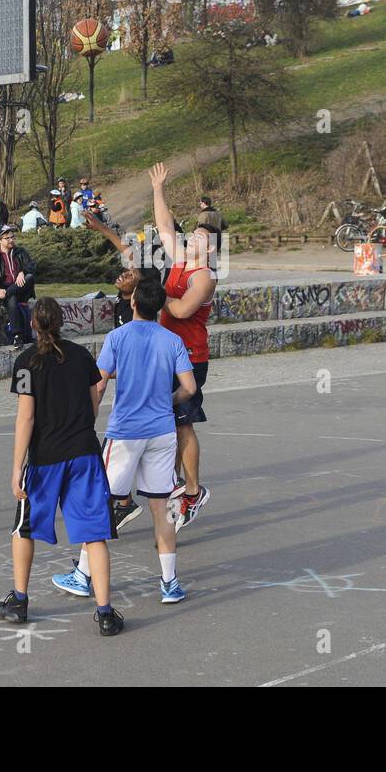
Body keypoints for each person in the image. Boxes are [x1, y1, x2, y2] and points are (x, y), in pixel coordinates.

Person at [52, 279, 198, 605]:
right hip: (161, 431)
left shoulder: (117, 338)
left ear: (133, 303)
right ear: (160, 308)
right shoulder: (172, 340)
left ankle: (83, 575)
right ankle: (170, 582)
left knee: (99, 503)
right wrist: (166, 400)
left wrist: (86, 421)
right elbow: (188, 388)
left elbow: (100, 384)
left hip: (126, 432)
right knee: (163, 508)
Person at [0, 298, 122, 636]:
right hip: (84, 452)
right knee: (95, 535)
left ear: (33, 324)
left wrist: (15, 466)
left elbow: (26, 416)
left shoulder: (26, 361)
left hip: (45, 457)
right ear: (62, 322)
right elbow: (95, 400)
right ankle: (105, 613)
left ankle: (19, 601)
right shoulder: (81, 355)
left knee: (24, 528)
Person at [150, 162, 217, 530]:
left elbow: (178, 308)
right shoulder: (180, 260)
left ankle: (193, 491)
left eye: (200, 239)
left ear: (210, 250)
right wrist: (159, 188)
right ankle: (171, 483)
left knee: (183, 424)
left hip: (191, 359)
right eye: (191, 235)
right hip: (169, 354)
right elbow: (163, 225)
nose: (192, 239)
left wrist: (152, 296)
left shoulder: (204, 277)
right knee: (169, 422)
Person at [0, 225, 37, 347]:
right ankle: (17, 335)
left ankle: (2, 297)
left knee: (30, 277)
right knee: (12, 298)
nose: (11, 240)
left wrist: (22, 272)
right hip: (4, 289)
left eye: (12, 237)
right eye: (7, 238)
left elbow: (31, 266)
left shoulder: (21, 252)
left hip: (22, 287)